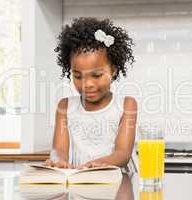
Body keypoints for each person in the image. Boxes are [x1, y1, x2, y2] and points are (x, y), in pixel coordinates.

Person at [45, 17, 137, 170]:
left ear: (113, 70)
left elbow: (122, 154)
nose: (87, 84)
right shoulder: (65, 106)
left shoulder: (126, 105)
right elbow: (59, 151)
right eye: (78, 76)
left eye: (96, 75)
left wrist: (95, 165)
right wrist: (59, 161)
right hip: (80, 183)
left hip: (117, 184)